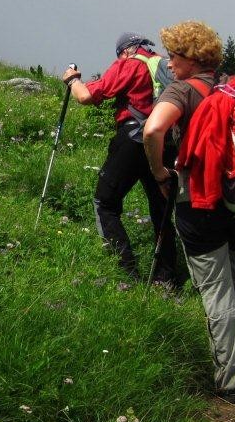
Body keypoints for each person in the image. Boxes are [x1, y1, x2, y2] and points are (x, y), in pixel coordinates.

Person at [142, 20, 235, 403]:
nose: (169, 64)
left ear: (190, 59)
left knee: (216, 291)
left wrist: (160, 172)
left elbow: (153, 130)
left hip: (199, 203)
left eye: (173, 56)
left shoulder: (182, 91)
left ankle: (232, 381)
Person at [61, 32, 179, 285]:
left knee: (105, 203)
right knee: (161, 211)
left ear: (125, 50)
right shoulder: (167, 65)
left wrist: (73, 81)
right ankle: (167, 280)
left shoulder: (130, 63)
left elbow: (87, 96)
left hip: (134, 141)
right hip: (166, 145)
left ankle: (125, 272)